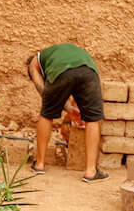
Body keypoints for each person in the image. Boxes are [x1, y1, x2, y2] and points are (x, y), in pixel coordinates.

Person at [26, 43, 109, 183]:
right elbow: (75, 81)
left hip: (61, 71)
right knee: (93, 119)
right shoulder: (59, 52)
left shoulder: (34, 61)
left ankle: (39, 164)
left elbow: (42, 89)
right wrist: (70, 109)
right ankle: (90, 171)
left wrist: (49, 102)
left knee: (46, 114)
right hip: (89, 70)